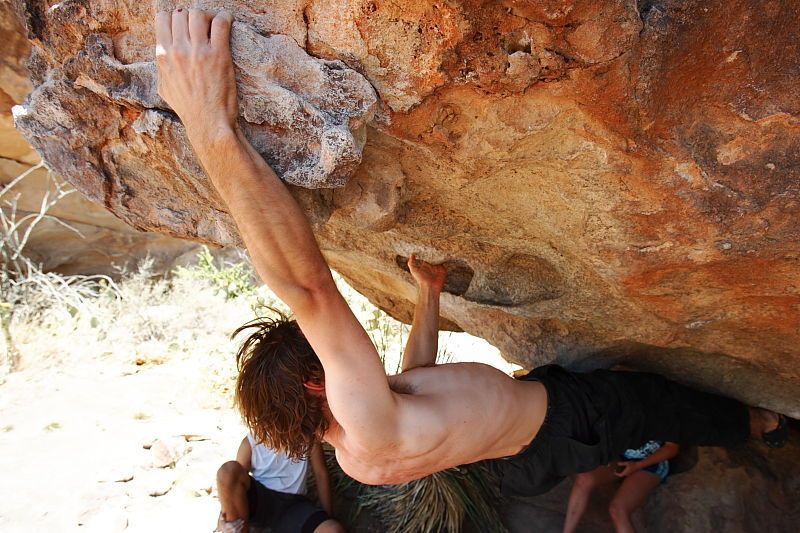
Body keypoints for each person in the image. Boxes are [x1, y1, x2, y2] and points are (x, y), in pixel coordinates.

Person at [154, 8, 788, 497]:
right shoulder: (363, 413)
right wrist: (211, 123)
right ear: (319, 383)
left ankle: (677, 433)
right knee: (660, 402)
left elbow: (415, 382)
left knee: (625, 401)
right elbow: (308, 289)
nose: (346, 349)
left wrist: (428, 295)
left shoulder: (360, 452)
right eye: (325, 352)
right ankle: (766, 424)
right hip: (568, 418)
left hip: (528, 457)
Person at [216, 434, 345, 533]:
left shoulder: (306, 436)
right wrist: (221, 522)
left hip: (293, 506)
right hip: (260, 500)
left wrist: (327, 516)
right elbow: (232, 487)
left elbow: (321, 475)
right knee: (228, 470)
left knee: (333, 530)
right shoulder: (251, 441)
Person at [563, 441, 680, 533]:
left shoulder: (664, 412)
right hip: (621, 457)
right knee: (584, 479)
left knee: (618, 510)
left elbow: (672, 448)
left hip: (651, 463)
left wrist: (637, 465)